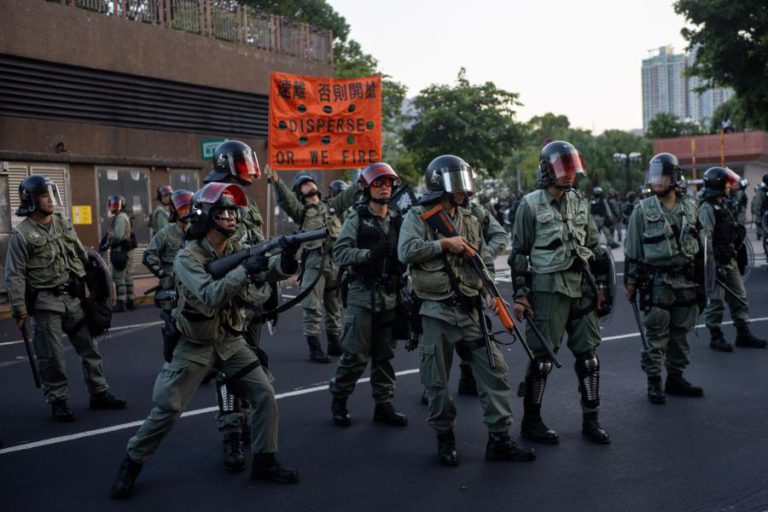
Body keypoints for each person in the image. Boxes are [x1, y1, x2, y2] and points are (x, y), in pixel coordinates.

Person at [111, 182, 301, 499]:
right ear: (206, 216)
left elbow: (267, 276)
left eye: (233, 211)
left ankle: (265, 461)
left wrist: (288, 258)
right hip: (195, 345)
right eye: (223, 212)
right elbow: (210, 296)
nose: (232, 217)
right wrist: (245, 270)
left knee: (264, 393)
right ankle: (131, 463)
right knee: (167, 409)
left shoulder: (237, 248)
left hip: (230, 340)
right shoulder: (187, 258)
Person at [398, 154, 535, 466]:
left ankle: (499, 439)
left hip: (471, 311)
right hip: (436, 312)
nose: (464, 192)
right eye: (457, 186)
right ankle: (445, 438)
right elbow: (405, 252)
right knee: (436, 382)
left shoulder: (471, 218)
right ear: (440, 187)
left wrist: (489, 292)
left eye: (465, 185)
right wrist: (443, 245)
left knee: (495, 370)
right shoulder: (418, 217)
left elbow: (483, 258)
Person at [509, 141, 610, 445]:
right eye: (563, 169)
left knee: (589, 359)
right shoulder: (529, 205)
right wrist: (521, 294)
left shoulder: (579, 201)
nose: (569, 175)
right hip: (548, 290)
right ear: (547, 169)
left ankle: (591, 419)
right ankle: (531, 422)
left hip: (582, 287)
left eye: (572, 169)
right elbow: (520, 254)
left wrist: (602, 287)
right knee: (542, 361)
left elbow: (594, 246)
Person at [5, 175, 126, 422]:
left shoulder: (63, 223)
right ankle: (58, 401)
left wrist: (95, 287)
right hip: (45, 304)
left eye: (52, 194)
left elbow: (81, 255)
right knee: (52, 358)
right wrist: (19, 309)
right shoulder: (21, 234)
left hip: (74, 298)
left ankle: (99, 393)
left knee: (91, 348)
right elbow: (14, 274)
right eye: (44, 195)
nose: (51, 200)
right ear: (31, 199)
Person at [201, 140, 280, 471]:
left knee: (252, 370)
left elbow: (256, 246)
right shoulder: (212, 198)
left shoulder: (246, 202)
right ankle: (231, 434)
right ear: (227, 163)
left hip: (253, 299)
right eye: (243, 161)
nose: (250, 167)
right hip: (229, 301)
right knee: (226, 374)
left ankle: (247, 424)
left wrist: (270, 286)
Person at [329, 162, 408, 428]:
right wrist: (369, 255)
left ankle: (383, 404)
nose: (384, 188)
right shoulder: (357, 218)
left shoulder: (398, 218)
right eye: (378, 183)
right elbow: (339, 252)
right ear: (366, 187)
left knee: (385, 356)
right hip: (362, 296)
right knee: (354, 357)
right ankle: (339, 400)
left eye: (387, 183)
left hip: (390, 296)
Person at [624, 153, 704, 405]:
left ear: (674, 178)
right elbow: (633, 251)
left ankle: (675, 378)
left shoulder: (691, 206)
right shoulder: (642, 210)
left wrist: (703, 281)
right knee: (656, 336)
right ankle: (654, 381)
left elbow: (702, 248)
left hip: (686, 282)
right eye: (654, 176)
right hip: (656, 284)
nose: (656, 181)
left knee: (680, 334)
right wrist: (630, 283)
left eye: (662, 176)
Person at [270, 171, 360, 362]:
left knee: (334, 305)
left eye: (310, 182)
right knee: (312, 306)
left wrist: (363, 179)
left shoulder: (332, 206)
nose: (308, 185)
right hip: (314, 261)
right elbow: (286, 201)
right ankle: (315, 348)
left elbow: (349, 195)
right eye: (303, 184)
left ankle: (335, 343)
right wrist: (277, 181)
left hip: (335, 261)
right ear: (299, 192)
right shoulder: (302, 211)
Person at [699, 167, 766, 351]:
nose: (730, 186)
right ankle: (715, 336)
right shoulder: (707, 208)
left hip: (730, 259)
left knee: (740, 297)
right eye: (727, 183)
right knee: (716, 301)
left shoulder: (723, 204)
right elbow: (706, 240)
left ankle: (743, 334)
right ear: (719, 184)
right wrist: (714, 265)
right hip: (718, 263)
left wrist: (736, 235)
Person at [142, 189, 194, 361]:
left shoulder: (197, 233)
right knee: (172, 330)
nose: (186, 212)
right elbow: (148, 256)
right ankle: (170, 362)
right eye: (182, 208)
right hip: (172, 291)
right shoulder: (165, 233)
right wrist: (164, 276)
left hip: (193, 290)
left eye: (189, 208)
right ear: (174, 210)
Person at [105, 194, 135, 312]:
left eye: (115, 204)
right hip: (126, 250)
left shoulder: (120, 218)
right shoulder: (124, 216)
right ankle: (130, 300)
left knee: (119, 276)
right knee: (127, 276)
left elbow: (117, 236)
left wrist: (109, 234)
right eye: (112, 204)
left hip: (120, 250)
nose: (113, 207)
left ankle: (121, 302)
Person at [751, 175, 768, 240]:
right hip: (764, 213)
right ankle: (759, 235)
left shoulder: (762, 191)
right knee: (761, 225)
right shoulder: (762, 191)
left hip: (764, 213)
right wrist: (757, 213)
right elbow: (757, 204)